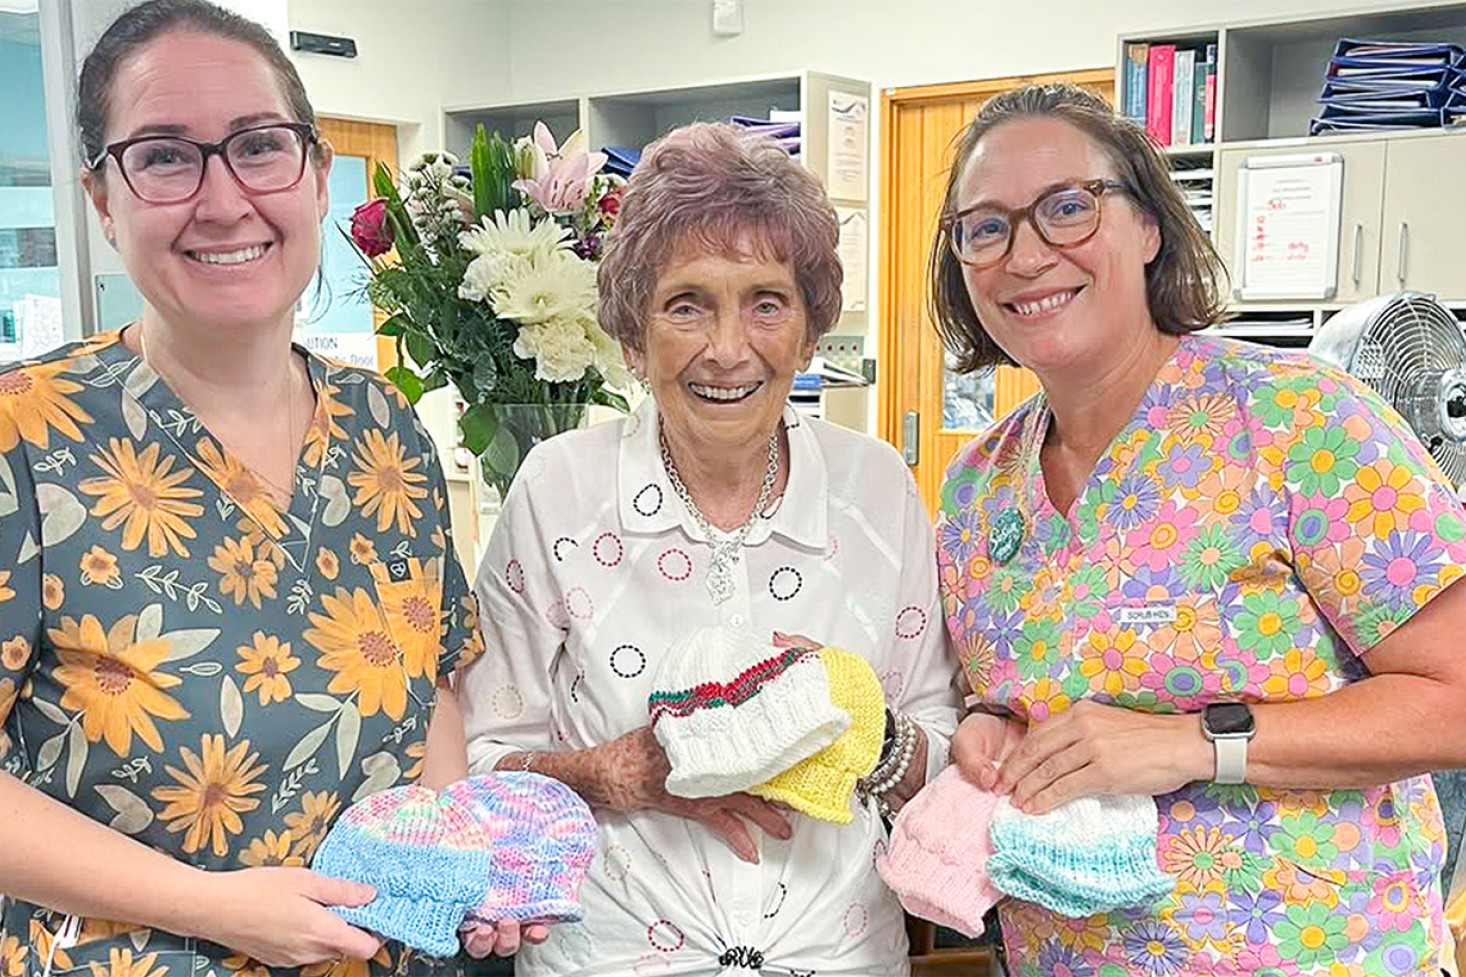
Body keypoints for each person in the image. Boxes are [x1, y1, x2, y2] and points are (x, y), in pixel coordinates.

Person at [0, 0, 536, 972]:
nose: (222, 197)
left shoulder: (388, 430)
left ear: (319, 178)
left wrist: (452, 861)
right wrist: (216, 907)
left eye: (258, 145)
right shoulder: (27, 436)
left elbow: (432, 686)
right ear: (101, 199)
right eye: (164, 155)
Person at [932, 81, 1466, 975]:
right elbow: (1019, 686)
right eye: (986, 227)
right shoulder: (977, 487)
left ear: (1148, 227)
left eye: (1067, 208)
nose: (1025, 253)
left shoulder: (1297, 422)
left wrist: (1194, 743)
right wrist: (986, 726)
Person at [458, 121, 962, 976]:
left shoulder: (876, 489)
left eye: (767, 303)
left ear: (808, 334)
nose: (728, 348)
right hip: (610, 956)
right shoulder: (559, 488)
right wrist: (615, 773)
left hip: (840, 955)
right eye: (686, 304)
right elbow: (476, 756)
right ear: (632, 336)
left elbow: (943, 745)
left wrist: (867, 736)